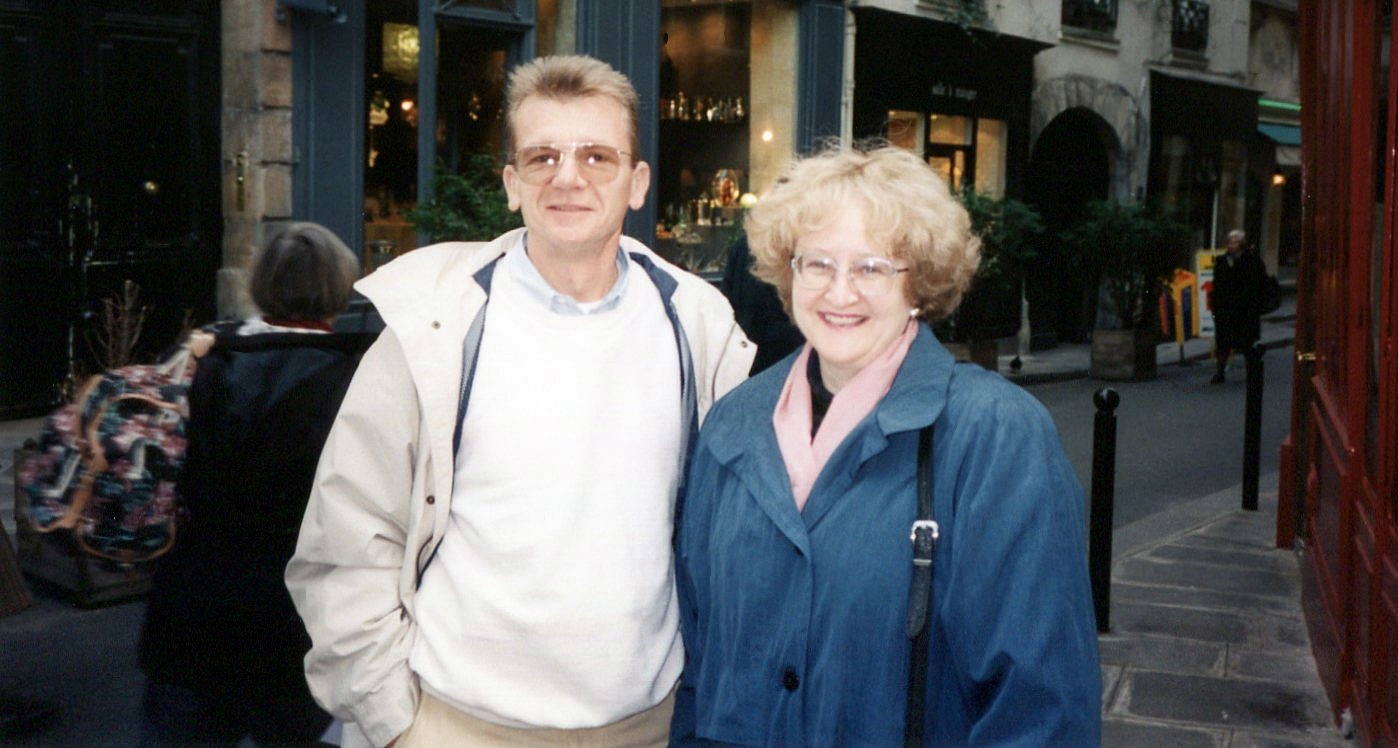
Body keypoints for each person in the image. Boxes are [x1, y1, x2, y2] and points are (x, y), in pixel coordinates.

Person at [286, 55, 755, 748]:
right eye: (542, 157)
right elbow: (347, 541)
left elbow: (733, 538)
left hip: (650, 725)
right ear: (512, 184)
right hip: (454, 724)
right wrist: (395, 724)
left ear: (637, 183)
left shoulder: (698, 326)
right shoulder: (435, 326)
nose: (568, 177)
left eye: (597, 156)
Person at [671, 143, 1101, 747]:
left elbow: (1040, 708)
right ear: (788, 273)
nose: (839, 292)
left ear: (918, 284)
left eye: (872, 268)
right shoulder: (732, 426)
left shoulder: (996, 437)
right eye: (818, 263)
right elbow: (700, 665)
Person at [137, 221, 368, 747]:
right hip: (299, 619)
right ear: (339, 288)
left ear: (261, 283)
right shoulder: (356, 379)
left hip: (191, 610)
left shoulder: (197, 359)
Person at [720, 230, 804, 376]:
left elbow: (726, 309)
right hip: (788, 362)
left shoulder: (744, 246)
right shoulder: (805, 246)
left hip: (749, 362)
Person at [1210, 228, 1268, 383]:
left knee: (1249, 343)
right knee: (1223, 342)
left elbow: (1260, 282)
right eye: (1229, 242)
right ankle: (1220, 372)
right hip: (1225, 309)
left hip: (1246, 310)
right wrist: (1216, 306)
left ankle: (1252, 371)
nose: (1231, 245)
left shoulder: (1252, 261)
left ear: (1241, 244)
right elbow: (1216, 284)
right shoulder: (1222, 261)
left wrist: (1256, 304)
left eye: (1234, 242)